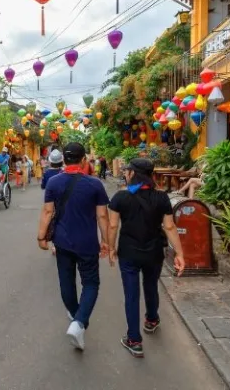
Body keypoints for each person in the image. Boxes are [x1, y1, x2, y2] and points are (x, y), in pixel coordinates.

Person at [107, 158, 185, 358]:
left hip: (129, 253)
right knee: (151, 286)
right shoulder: (162, 198)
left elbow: (113, 226)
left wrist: (110, 248)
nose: (125, 173)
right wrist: (180, 253)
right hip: (153, 252)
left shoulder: (120, 198)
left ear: (133, 174)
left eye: (127, 171)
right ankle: (151, 319)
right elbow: (169, 226)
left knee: (131, 295)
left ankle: (134, 340)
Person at [37, 142, 110, 351]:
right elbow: (102, 215)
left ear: (64, 160)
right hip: (87, 242)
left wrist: (41, 237)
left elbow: (47, 212)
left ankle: (76, 316)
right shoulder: (95, 184)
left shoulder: (54, 183)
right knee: (91, 283)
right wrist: (106, 241)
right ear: (83, 159)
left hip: (62, 241)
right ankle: (79, 322)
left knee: (66, 281)